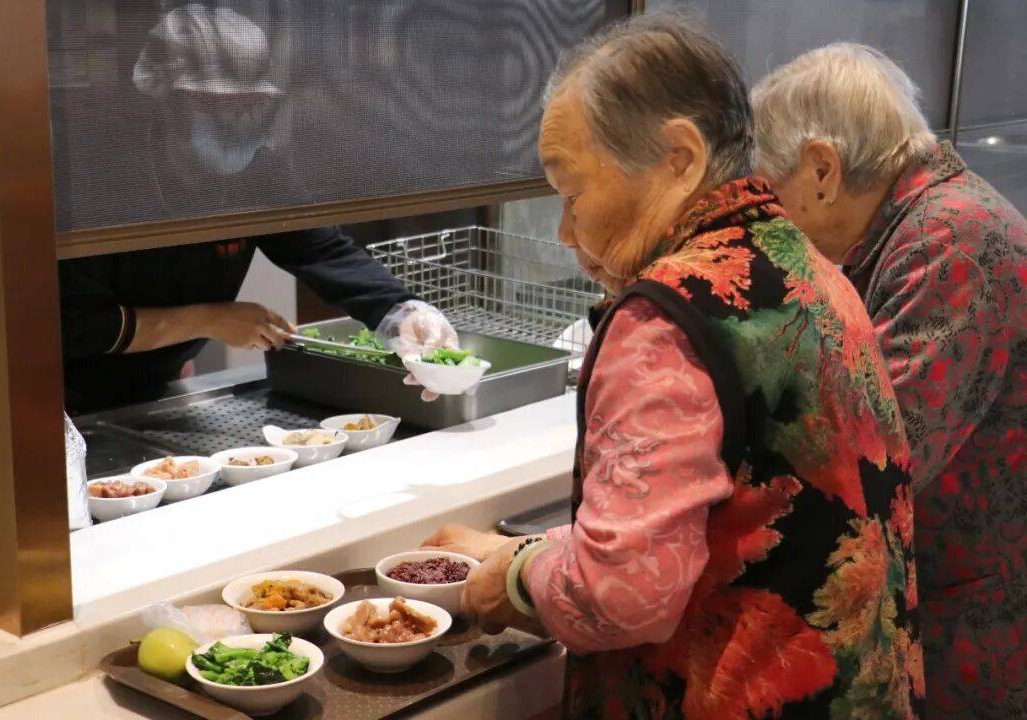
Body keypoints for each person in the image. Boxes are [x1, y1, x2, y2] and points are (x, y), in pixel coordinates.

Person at [424, 15, 924, 719]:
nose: (565, 231)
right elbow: (722, 519)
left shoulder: (663, 319)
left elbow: (623, 595)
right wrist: (536, 547)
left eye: (572, 195)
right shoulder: (807, 265)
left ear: (680, 157)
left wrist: (514, 577)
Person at [750, 43, 1026, 720]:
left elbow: (873, 455)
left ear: (822, 169)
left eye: (768, 190)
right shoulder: (913, 226)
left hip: (975, 632)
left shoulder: (952, 240)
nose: (767, 219)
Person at [60, 4, 455, 413]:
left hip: (161, 381)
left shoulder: (256, 173)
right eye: (213, 103)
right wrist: (209, 318)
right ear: (166, 100)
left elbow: (323, 251)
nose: (233, 120)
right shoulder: (102, 179)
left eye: (249, 104)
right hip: (61, 392)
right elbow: (75, 324)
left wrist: (402, 312)